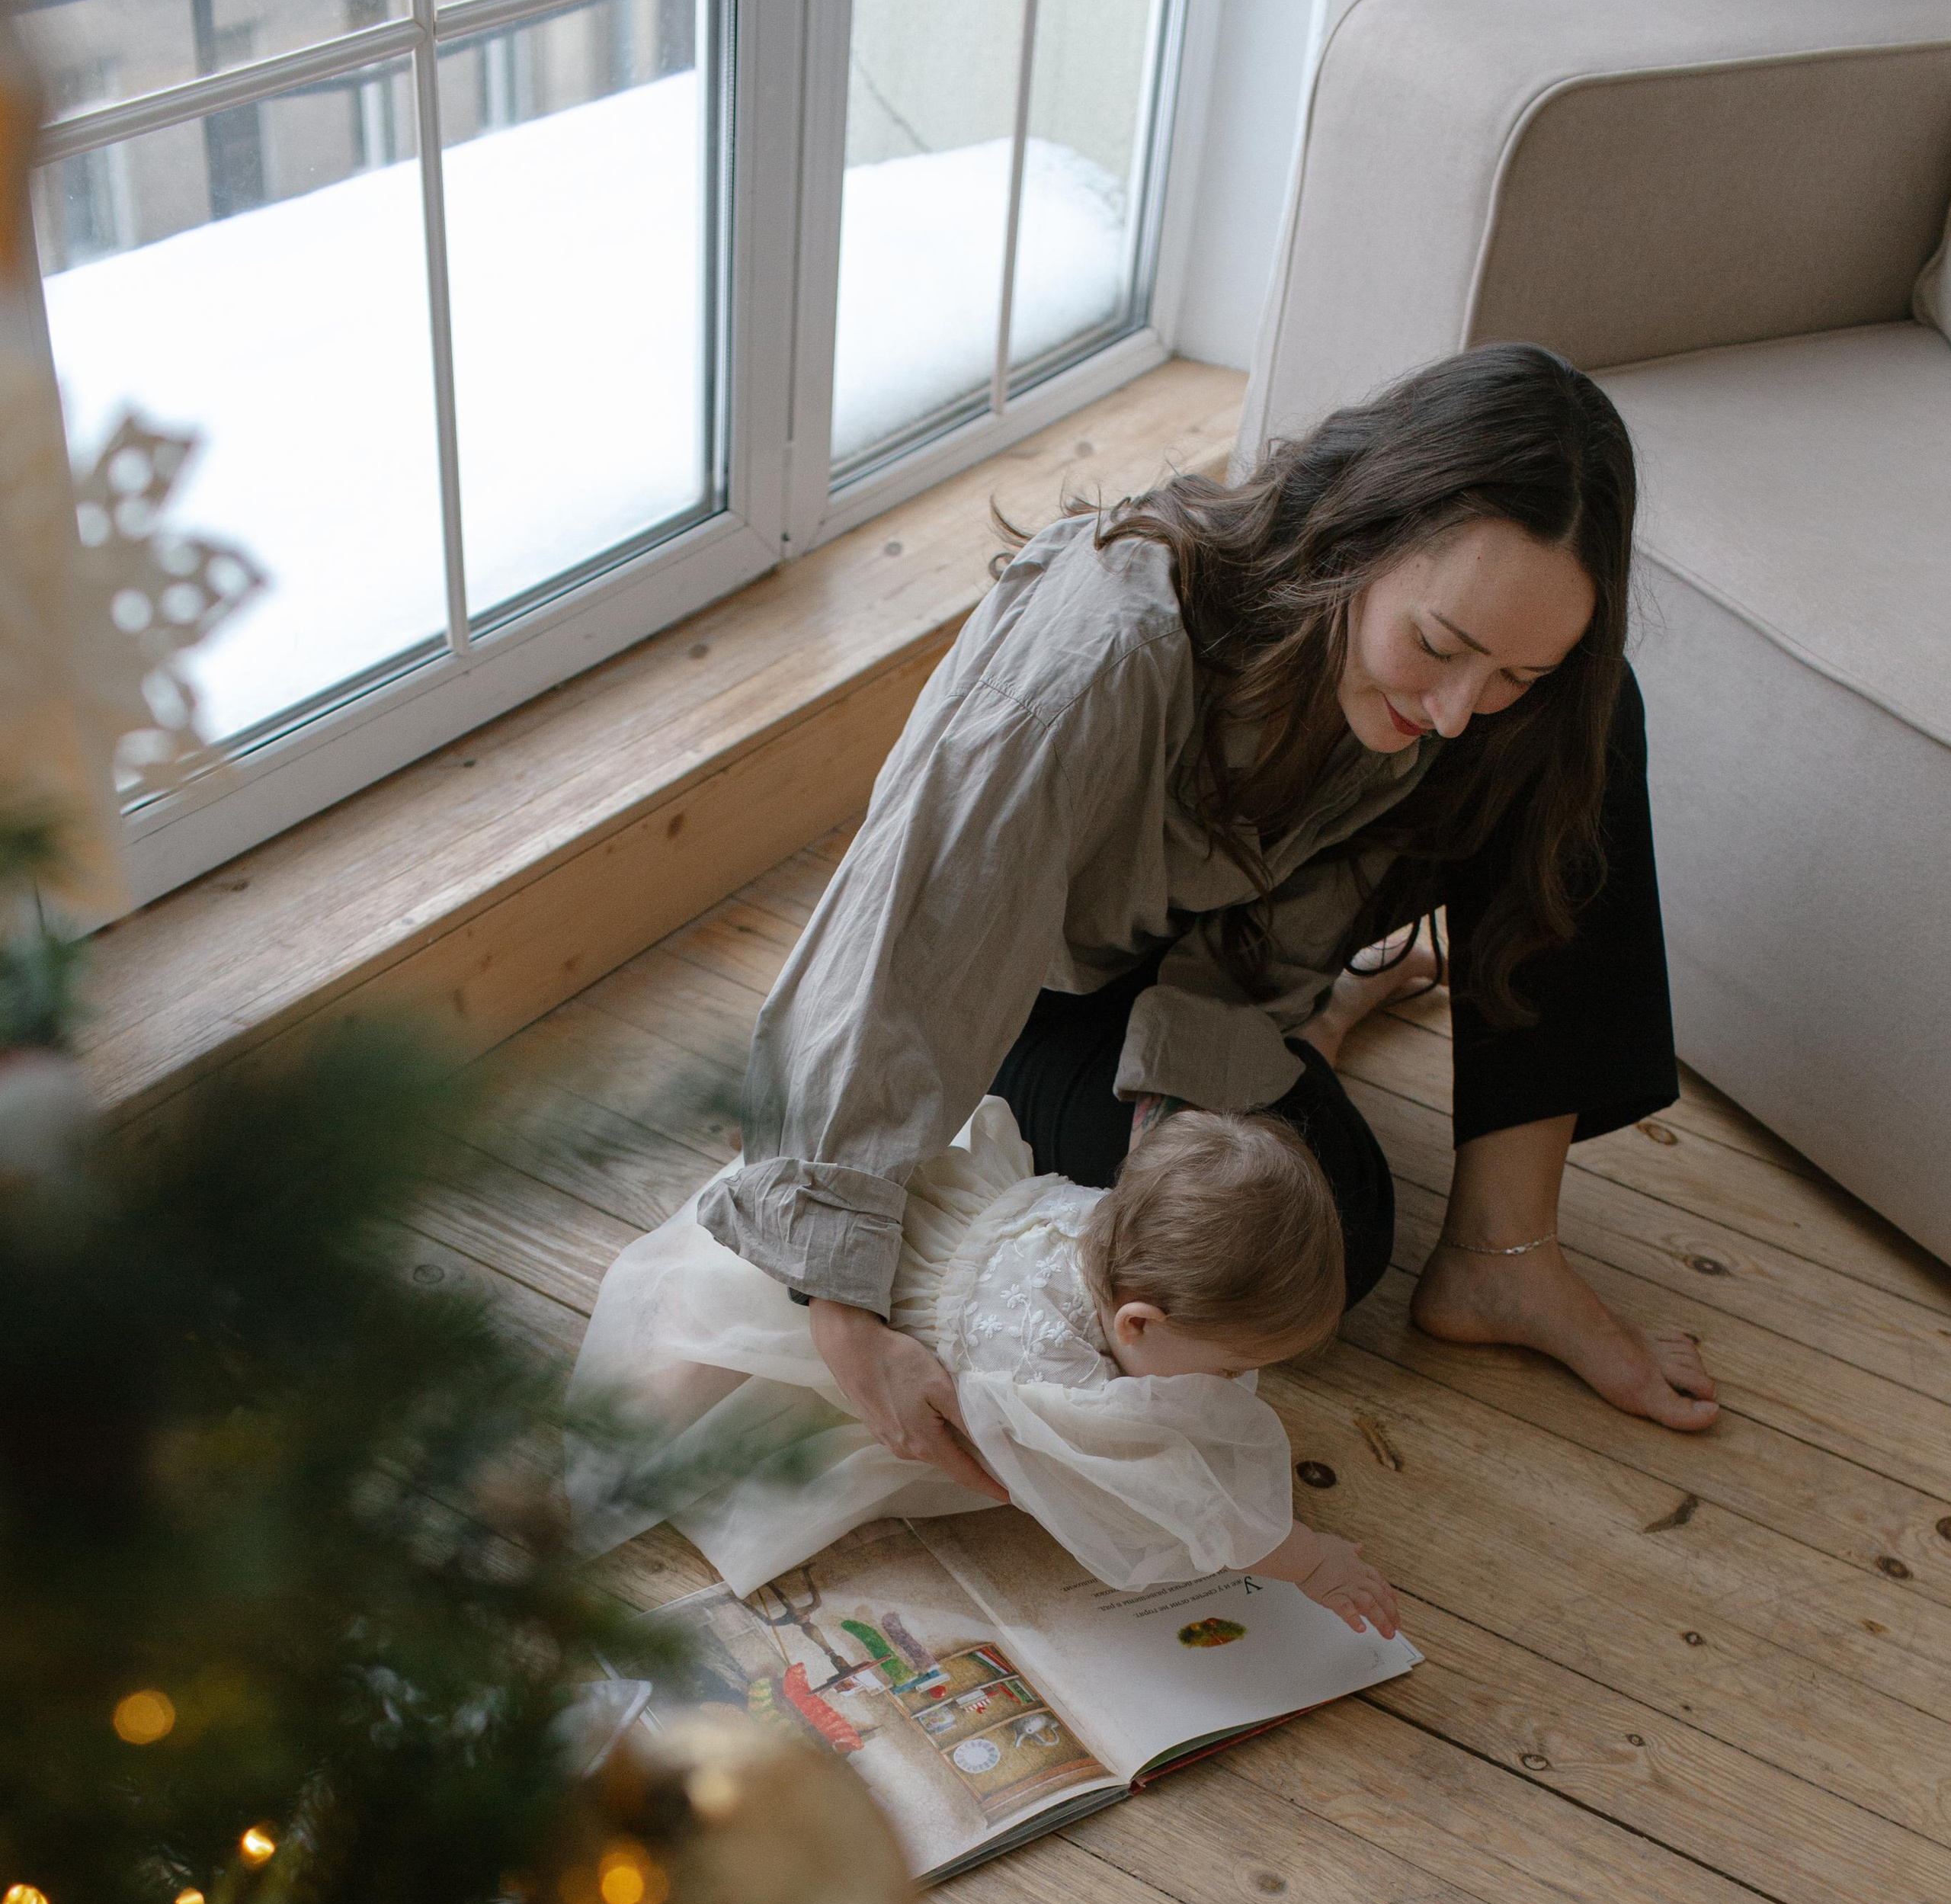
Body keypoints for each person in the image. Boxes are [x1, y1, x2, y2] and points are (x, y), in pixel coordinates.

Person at [697, 342, 1719, 1515]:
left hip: (1229, 962)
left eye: (1506, 672)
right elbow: (905, 942)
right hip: (1030, 992)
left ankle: (1501, 1248)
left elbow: (1440, 749)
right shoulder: (1104, 649)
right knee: (1326, 1235)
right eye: (1438, 648)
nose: (1453, 711)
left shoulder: (1457, 700)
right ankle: (1329, 1025)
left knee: (1590, 715)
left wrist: (1196, 1094)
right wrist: (843, 1309)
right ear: (1356, 537)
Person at [569, 1096, 1398, 1633]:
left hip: (926, 1210)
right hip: (794, 1298)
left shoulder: (1113, 1225)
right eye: (1229, 1368)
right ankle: (569, 1486)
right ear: (1136, 1326)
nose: (1232, 1386)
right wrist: (1308, 1558)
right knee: (684, 1392)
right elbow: (1165, 1502)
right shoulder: (1051, 1377)